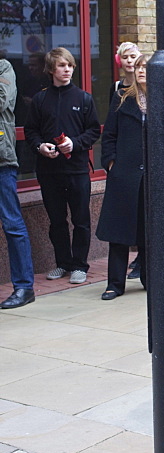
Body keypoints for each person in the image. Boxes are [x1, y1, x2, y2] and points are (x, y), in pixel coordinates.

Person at [23, 47, 100, 284]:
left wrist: (74, 144)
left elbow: (94, 131)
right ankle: (62, 263)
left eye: (70, 66)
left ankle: (79, 265)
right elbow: (30, 131)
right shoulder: (40, 99)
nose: (67, 70)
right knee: (56, 220)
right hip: (49, 171)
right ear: (51, 70)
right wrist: (40, 147)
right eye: (61, 66)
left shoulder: (84, 98)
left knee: (80, 220)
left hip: (77, 170)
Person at [96, 53, 148, 298]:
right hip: (124, 175)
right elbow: (109, 135)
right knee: (119, 232)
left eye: (146, 67)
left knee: (150, 230)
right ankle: (114, 284)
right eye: (138, 67)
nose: (141, 71)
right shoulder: (120, 98)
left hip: (151, 176)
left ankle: (150, 279)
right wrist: (110, 163)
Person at [0, 58, 35, 309]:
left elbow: (2, 101)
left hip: (2, 161)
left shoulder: (3, 67)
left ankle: (24, 287)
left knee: (12, 223)